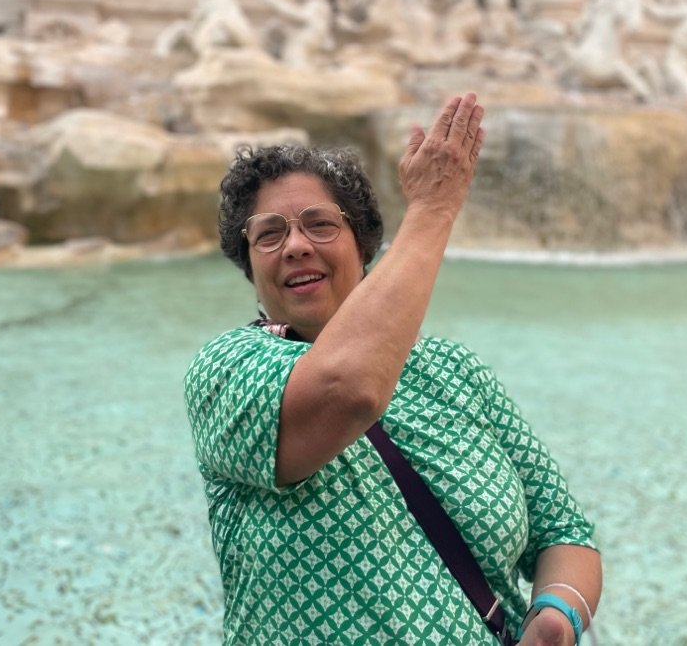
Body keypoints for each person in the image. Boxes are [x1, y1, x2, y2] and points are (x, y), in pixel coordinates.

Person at [185, 93, 602, 645]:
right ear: (250, 266)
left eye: (319, 224)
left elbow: (564, 533)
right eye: (269, 234)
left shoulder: (454, 370)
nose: (295, 246)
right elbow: (351, 390)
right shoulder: (225, 370)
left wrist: (554, 620)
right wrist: (433, 211)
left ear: (364, 245)